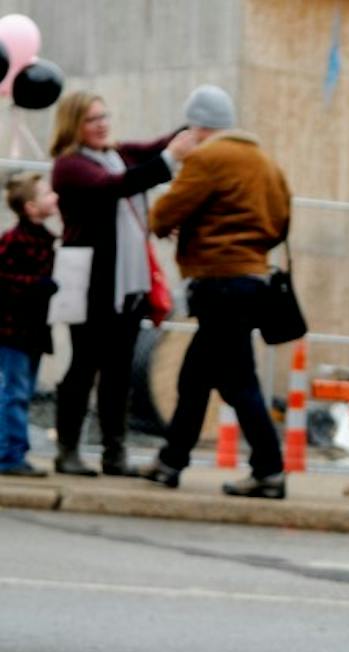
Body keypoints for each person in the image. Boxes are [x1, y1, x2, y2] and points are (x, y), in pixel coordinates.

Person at [136, 86, 292, 498]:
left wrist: (181, 223)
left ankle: (269, 469)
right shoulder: (265, 163)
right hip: (251, 280)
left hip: (218, 282)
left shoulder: (206, 158)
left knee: (239, 381)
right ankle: (171, 461)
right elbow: (280, 224)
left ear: (197, 125)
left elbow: (164, 214)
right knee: (195, 377)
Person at [49, 91, 196, 476]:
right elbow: (114, 186)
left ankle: (115, 453)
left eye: (104, 116)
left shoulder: (118, 154)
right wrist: (169, 159)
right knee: (83, 367)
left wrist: (195, 123)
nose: (101, 124)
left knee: (118, 371)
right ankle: (68, 451)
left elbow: (154, 147)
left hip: (128, 285)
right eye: (91, 119)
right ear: (74, 125)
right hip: (90, 283)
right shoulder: (69, 167)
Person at [0, 173, 59, 478]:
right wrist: (37, 285)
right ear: (31, 207)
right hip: (14, 330)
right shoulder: (14, 240)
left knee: (22, 389)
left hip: (33, 329)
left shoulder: (45, 240)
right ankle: (9, 454)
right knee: (16, 391)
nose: (55, 198)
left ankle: (13, 450)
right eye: (48, 194)